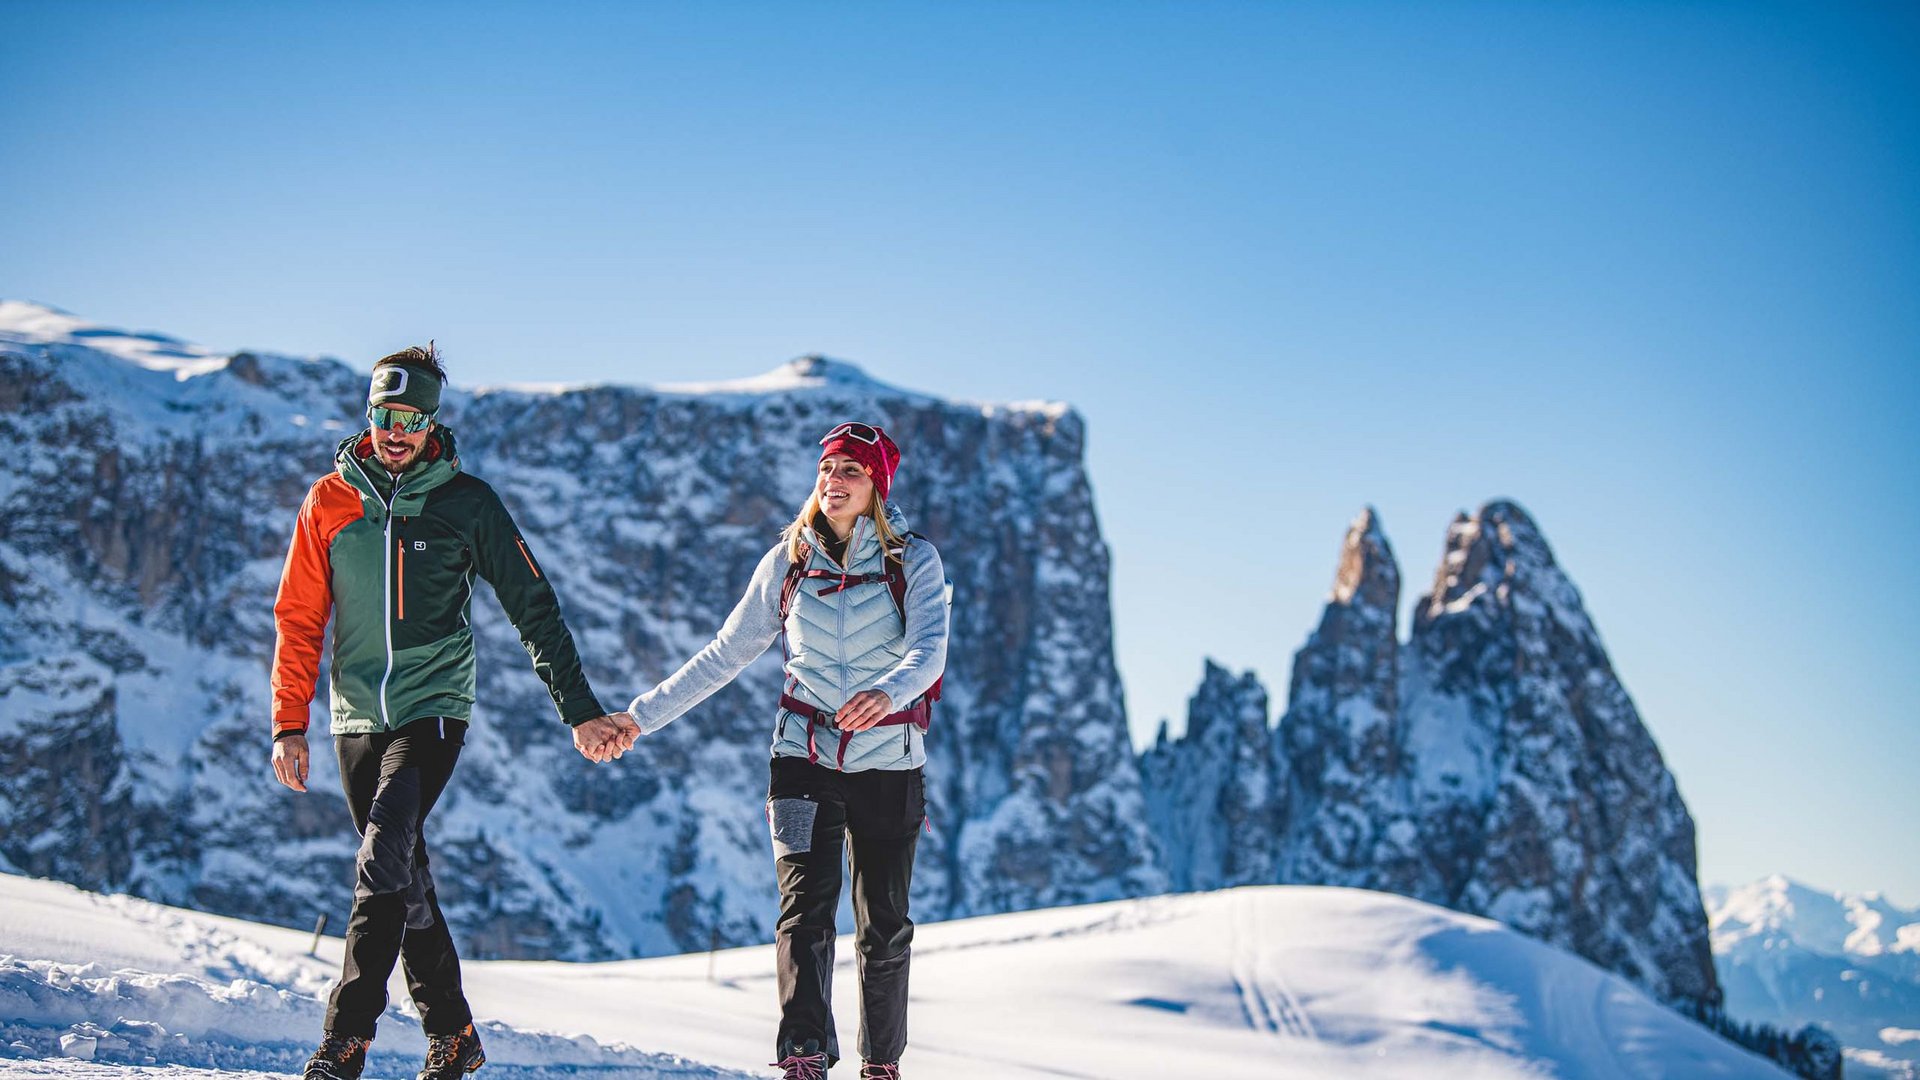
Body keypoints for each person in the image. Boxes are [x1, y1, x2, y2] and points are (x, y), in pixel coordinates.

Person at [269, 344, 638, 1080]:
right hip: (353, 718)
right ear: (368, 415)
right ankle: (455, 1034)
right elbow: (300, 618)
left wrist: (580, 710)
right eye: (383, 416)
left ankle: (345, 1042)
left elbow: (535, 608)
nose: (395, 431)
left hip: (433, 709)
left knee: (381, 858)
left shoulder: (468, 502)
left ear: (431, 421)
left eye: (410, 417)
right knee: (403, 876)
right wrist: (289, 721)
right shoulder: (329, 501)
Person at [620, 421, 948, 1080]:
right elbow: (726, 652)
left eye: (851, 471)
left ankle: (880, 1062)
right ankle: (803, 1054)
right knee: (803, 910)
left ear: (877, 487)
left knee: (884, 923)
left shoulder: (912, 560)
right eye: (827, 470)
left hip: (889, 765)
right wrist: (638, 718)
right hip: (799, 759)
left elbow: (928, 649)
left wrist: (885, 695)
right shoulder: (790, 561)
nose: (834, 482)